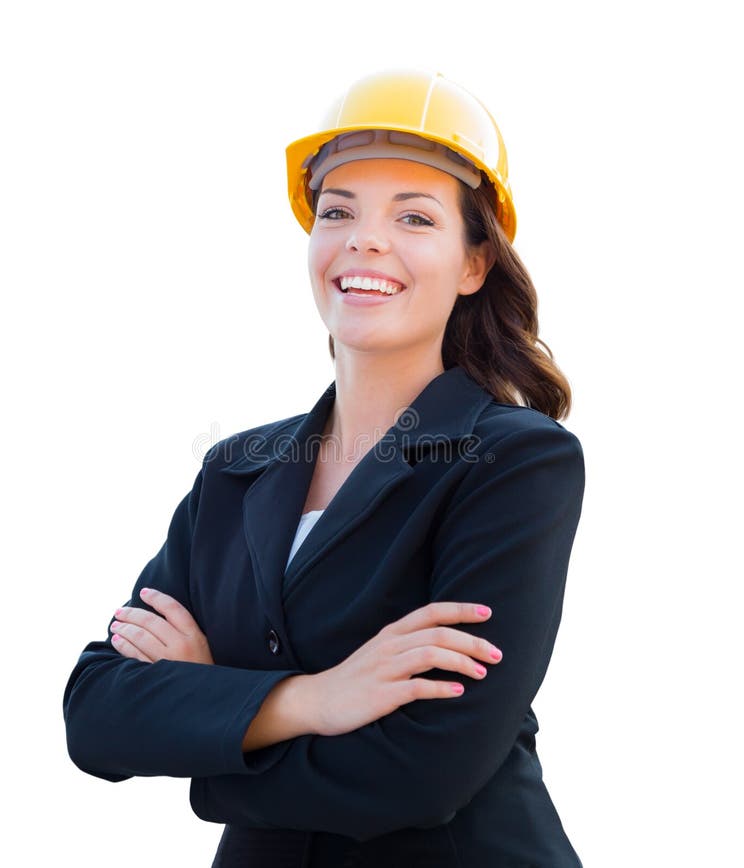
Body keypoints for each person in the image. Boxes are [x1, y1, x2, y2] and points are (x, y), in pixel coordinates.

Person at [63, 68, 586, 867]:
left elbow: (423, 772)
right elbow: (96, 713)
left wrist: (211, 726)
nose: (364, 240)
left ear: (475, 264)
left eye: (414, 216)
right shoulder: (238, 471)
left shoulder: (513, 461)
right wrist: (312, 699)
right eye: (337, 211)